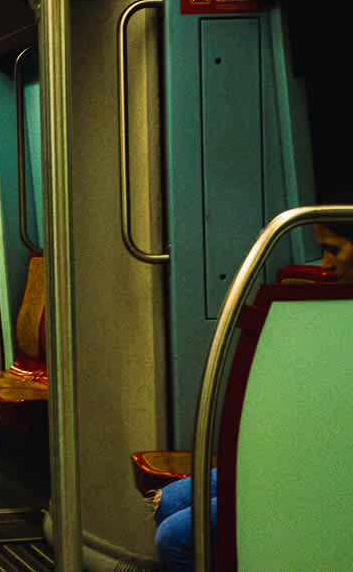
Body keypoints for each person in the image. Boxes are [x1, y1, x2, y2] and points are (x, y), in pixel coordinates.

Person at [152, 217, 353, 569]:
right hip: (295, 455)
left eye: (333, 250)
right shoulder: (330, 309)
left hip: (322, 471)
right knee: (169, 500)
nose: (324, 263)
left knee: (174, 537)